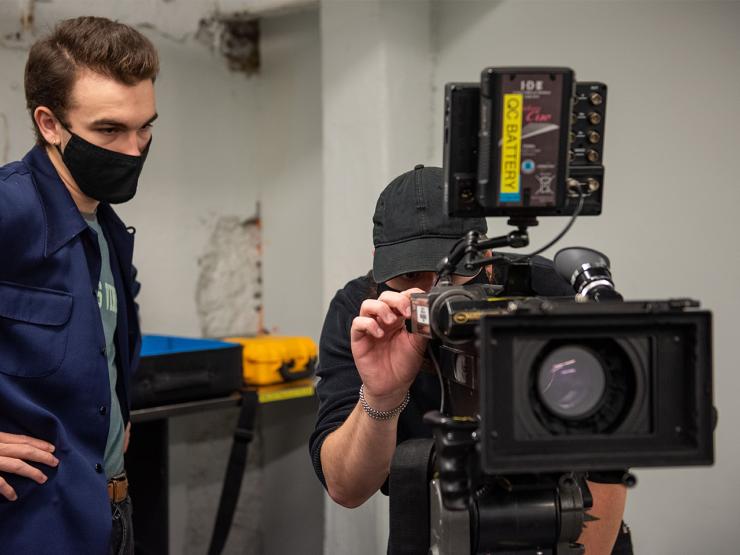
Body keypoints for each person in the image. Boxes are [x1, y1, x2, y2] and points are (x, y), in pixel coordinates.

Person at [310, 165, 633, 554]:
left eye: (453, 273)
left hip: (564, 527)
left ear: (489, 257)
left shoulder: (547, 293)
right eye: (411, 275)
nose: (433, 294)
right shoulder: (361, 316)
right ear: (380, 263)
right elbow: (346, 488)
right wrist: (382, 396)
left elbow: (609, 453)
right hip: (431, 530)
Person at [0, 17, 158, 554]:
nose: (135, 150)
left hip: (111, 510)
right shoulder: (8, 210)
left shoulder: (109, 231)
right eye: (109, 131)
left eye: (145, 127)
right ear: (50, 123)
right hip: (29, 525)